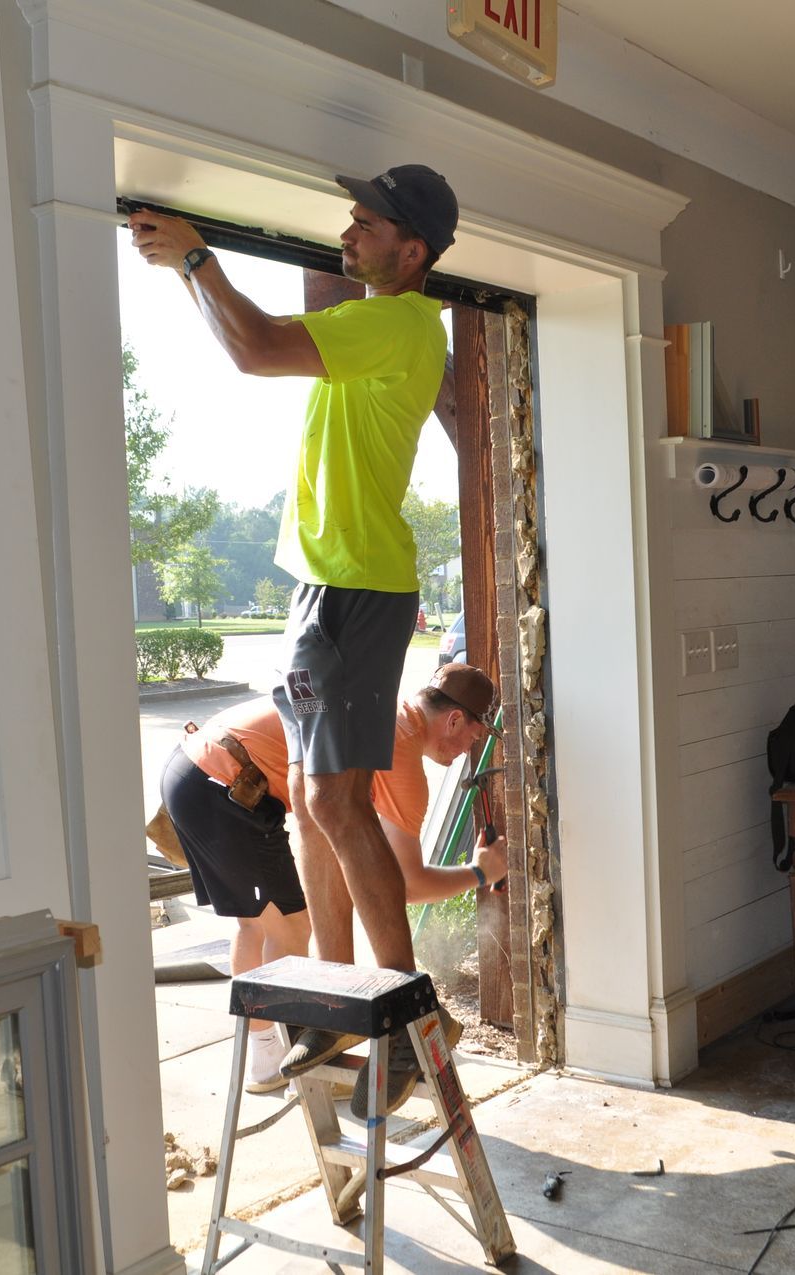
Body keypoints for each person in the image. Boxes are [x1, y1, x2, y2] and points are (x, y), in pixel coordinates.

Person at [131, 167, 461, 1111]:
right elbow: (262, 347)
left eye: (369, 222)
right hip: (326, 589)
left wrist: (195, 256)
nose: (348, 232)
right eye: (351, 217)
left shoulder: (394, 321)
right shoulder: (373, 329)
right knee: (321, 805)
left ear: (415, 250)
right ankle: (333, 997)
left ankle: (398, 1020)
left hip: (358, 587)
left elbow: (255, 347)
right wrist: (193, 266)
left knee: (333, 799)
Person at [158, 665, 506, 1095]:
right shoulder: (399, 753)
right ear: (454, 720)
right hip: (230, 788)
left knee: (258, 922)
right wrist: (481, 872)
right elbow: (405, 885)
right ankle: (296, 1065)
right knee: (292, 927)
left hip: (190, 772)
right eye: (474, 736)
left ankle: (267, 1055)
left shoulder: (384, 716)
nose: (470, 748)